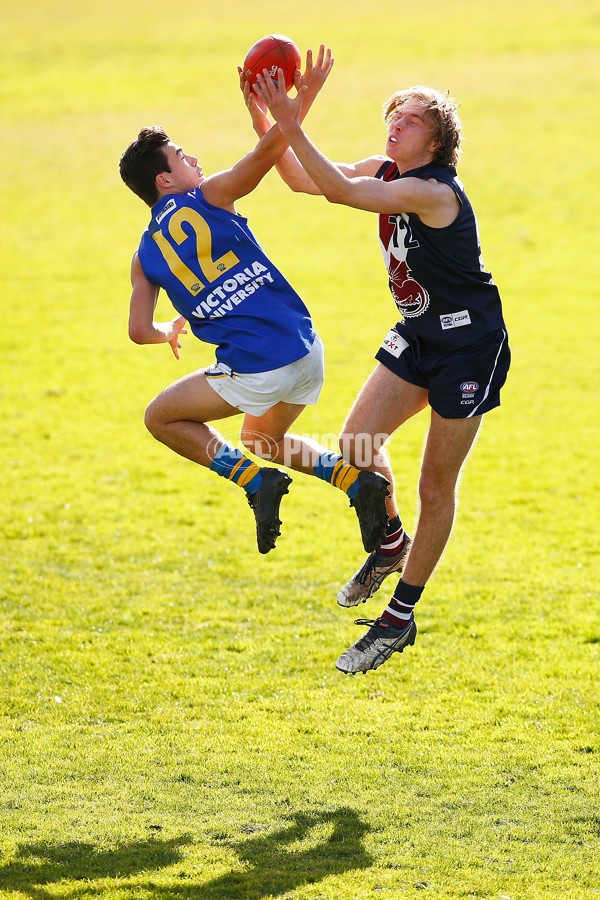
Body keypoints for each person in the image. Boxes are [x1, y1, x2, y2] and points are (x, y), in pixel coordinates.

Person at [250, 69, 510, 672]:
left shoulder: (434, 191)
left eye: (412, 119)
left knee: (434, 486)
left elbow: (341, 194)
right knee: (357, 445)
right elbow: (299, 178)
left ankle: (399, 616)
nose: (396, 124)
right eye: (393, 115)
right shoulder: (385, 169)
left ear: (437, 141)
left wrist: (289, 115)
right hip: (419, 334)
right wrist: (261, 112)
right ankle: (391, 542)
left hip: (469, 347)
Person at [118, 48, 390, 559]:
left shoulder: (143, 255)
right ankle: (358, 484)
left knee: (161, 418)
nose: (193, 159)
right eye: (182, 157)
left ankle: (252, 483)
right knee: (262, 439)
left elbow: (138, 329)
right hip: (308, 354)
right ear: (165, 181)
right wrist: (300, 98)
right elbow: (269, 153)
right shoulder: (213, 195)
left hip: (259, 369)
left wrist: (165, 332)